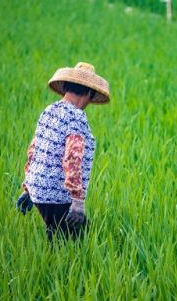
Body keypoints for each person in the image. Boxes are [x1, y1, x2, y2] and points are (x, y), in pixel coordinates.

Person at [16, 62, 110, 241]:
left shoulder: (49, 111)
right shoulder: (77, 117)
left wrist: (28, 188)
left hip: (39, 190)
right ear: (89, 93)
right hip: (58, 195)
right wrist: (78, 201)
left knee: (69, 234)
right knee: (72, 241)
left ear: (66, 86)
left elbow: (34, 150)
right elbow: (72, 159)